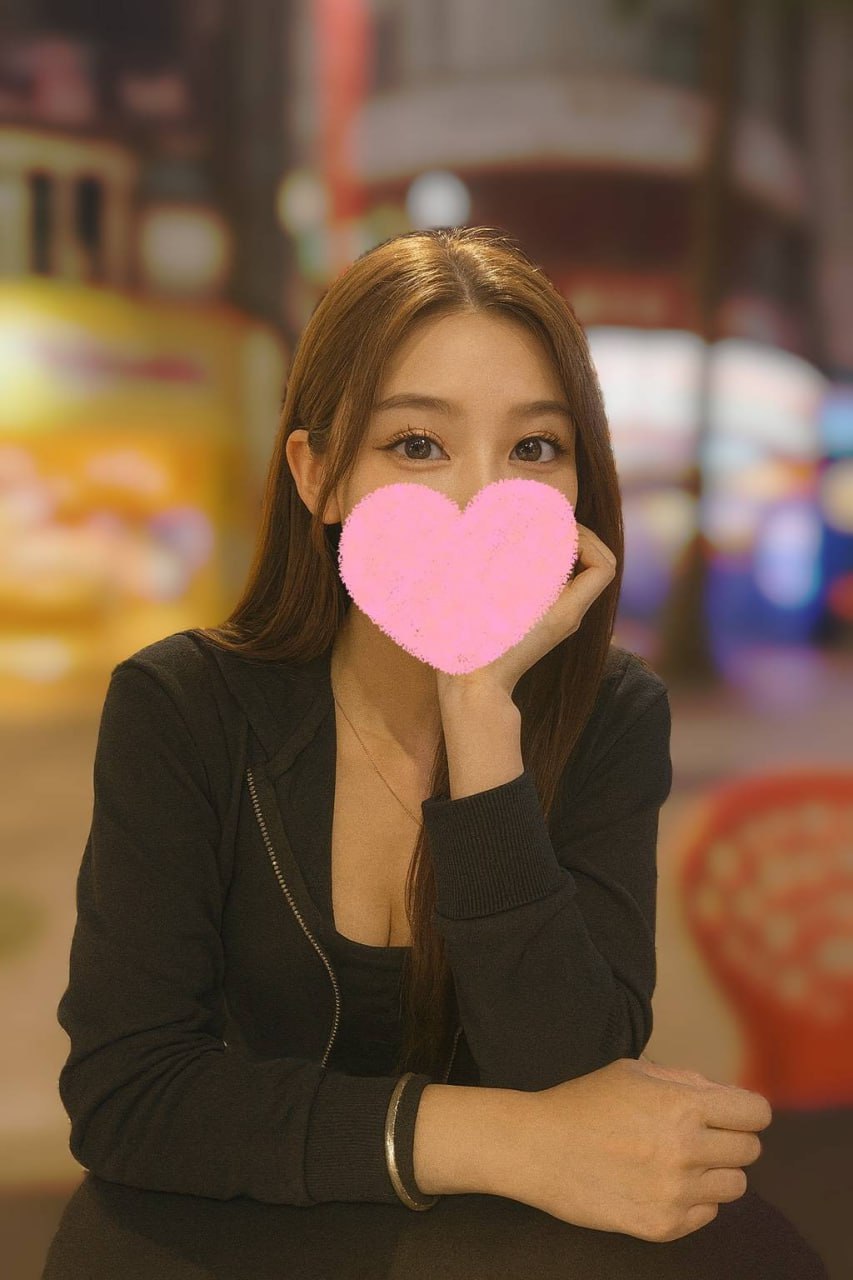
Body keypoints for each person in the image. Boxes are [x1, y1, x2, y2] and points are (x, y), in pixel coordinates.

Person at [56, 225, 772, 1246]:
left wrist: (479, 718)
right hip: (231, 1230)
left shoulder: (611, 711)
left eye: (534, 448)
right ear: (318, 475)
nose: (482, 497)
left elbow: (574, 1065)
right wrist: (506, 1141)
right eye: (416, 444)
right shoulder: (183, 706)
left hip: (495, 1247)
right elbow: (129, 1093)